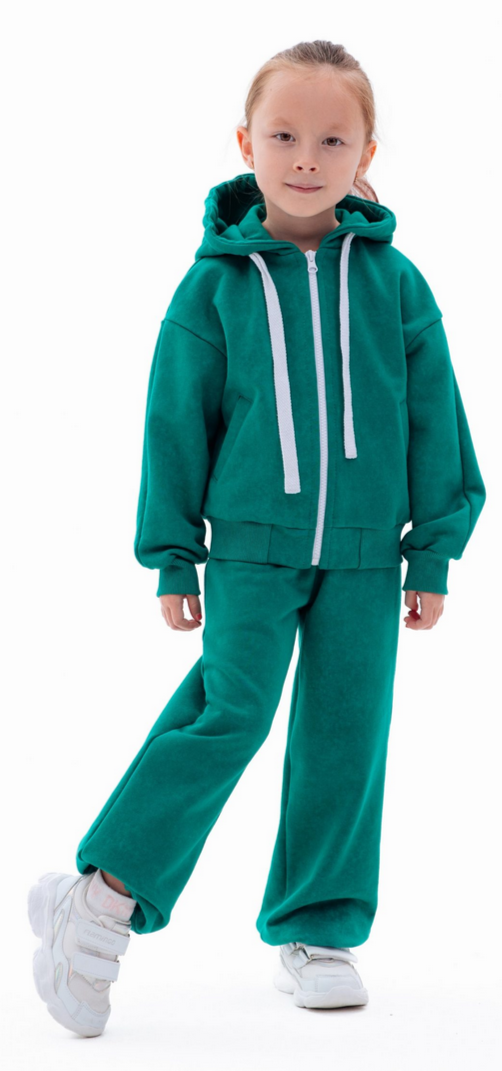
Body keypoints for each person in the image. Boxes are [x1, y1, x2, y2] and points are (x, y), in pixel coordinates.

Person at [28, 39, 487, 1036]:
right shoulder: (213, 288)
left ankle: (317, 929)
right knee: (230, 712)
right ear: (246, 144)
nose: (306, 158)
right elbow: (174, 422)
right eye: (283, 136)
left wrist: (432, 549)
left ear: (368, 154)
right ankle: (100, 898)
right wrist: (172, 552)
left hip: (366, 553)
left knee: (346, 733)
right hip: (249, 548)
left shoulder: (396, 284)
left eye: (333, 140)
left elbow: (435, 420)